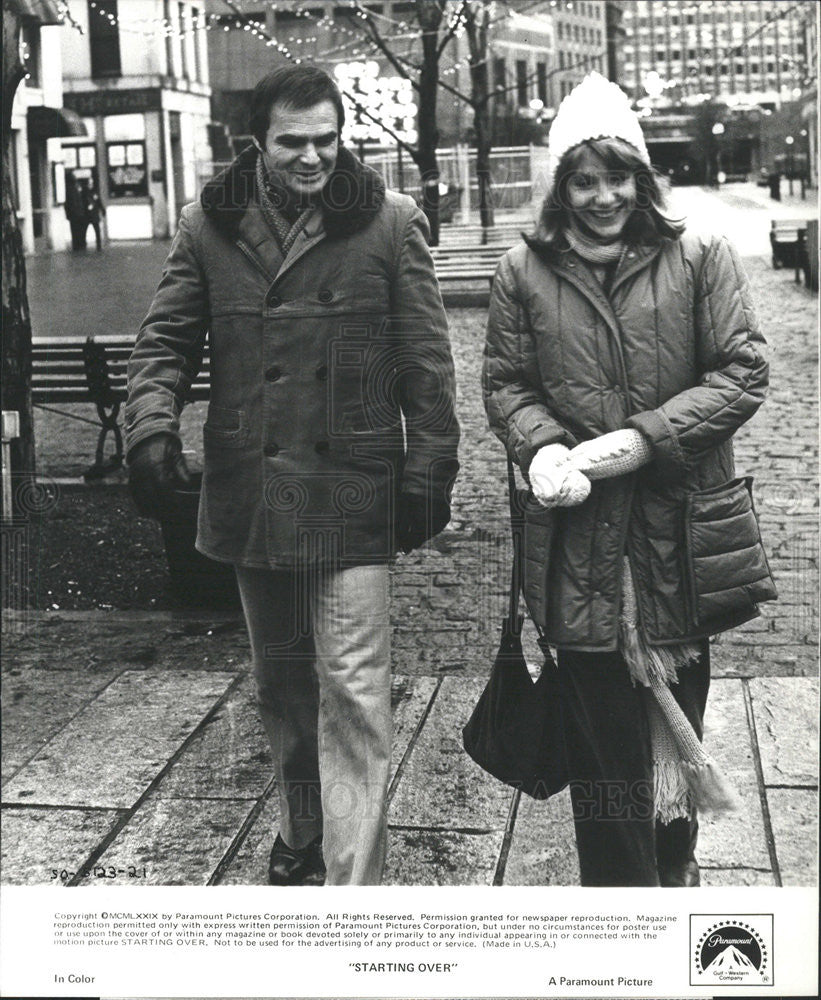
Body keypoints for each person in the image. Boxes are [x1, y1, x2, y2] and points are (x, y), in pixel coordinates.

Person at [125, 65, 460, 886]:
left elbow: (426, 364)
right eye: (292, 143)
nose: (313, 157)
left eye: (326, 140)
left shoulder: (388, 223)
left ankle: (351, 893)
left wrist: (429, 469)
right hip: (253, 490)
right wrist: (149, 428)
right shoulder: (209, 224)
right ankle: (301, 824)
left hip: (353, 489)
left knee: (353, 686)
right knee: (281, 682)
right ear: (256, 141)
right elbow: (165, 342)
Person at [483, 72, 773, 887]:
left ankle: (673, 883)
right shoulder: (522, 269)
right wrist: (539, 445)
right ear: (559, 184)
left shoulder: (699, 255)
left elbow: (743, 371)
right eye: (582, 178)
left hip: (677, 542)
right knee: (605, 759)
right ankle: (615, 919)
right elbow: (507, 383)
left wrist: (643, 441)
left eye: (616, 176)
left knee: (676, 731)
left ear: (640, 177)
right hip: (579, 547)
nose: (600, 196)